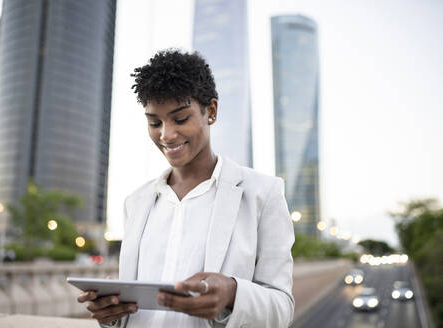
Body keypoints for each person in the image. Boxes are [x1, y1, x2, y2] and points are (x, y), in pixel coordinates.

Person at [77, 49, 295, 327]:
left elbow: (282, 309)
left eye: (180, 119)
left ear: (211, 112)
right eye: (154, 122)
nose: (166, 135)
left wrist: (232, 293)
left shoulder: (264, 193)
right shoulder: (136, 202)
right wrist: (111, 314)